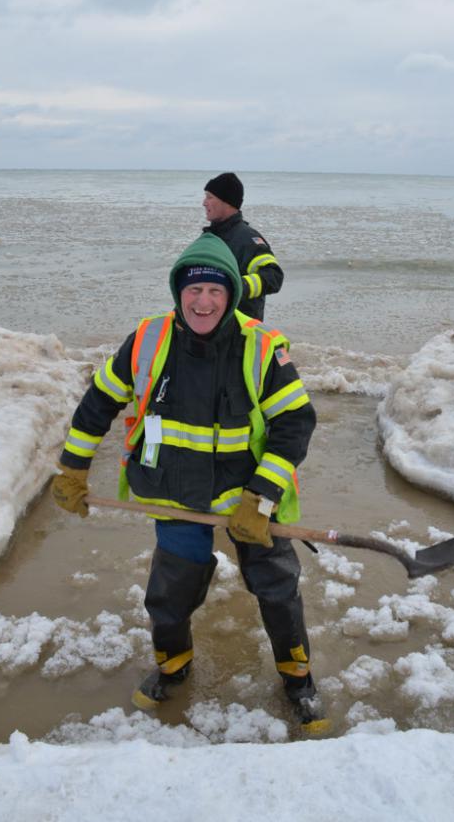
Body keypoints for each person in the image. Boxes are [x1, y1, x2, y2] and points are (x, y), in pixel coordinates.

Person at [49, 232, 328, 733]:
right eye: (194, 290)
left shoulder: (261, 346)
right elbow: (99, 402)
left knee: (278, 588)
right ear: (179, 291)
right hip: (175, 496)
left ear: (231, 296)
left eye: (215, 291)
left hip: (247, 498)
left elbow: (295, 424)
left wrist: (261, 497)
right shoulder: (147, 340)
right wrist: (73, 467)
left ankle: (298, 678)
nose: (203, 302)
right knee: (169, 594)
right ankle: (172, 667)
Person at [202, 172, 283, 320]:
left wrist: (237, 287)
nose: (204, 202)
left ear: (226, 201)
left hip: (241, 331)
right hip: (212, 328)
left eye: (209, 197)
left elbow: (274, 277)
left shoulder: (248, 239)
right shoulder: (210, 238)